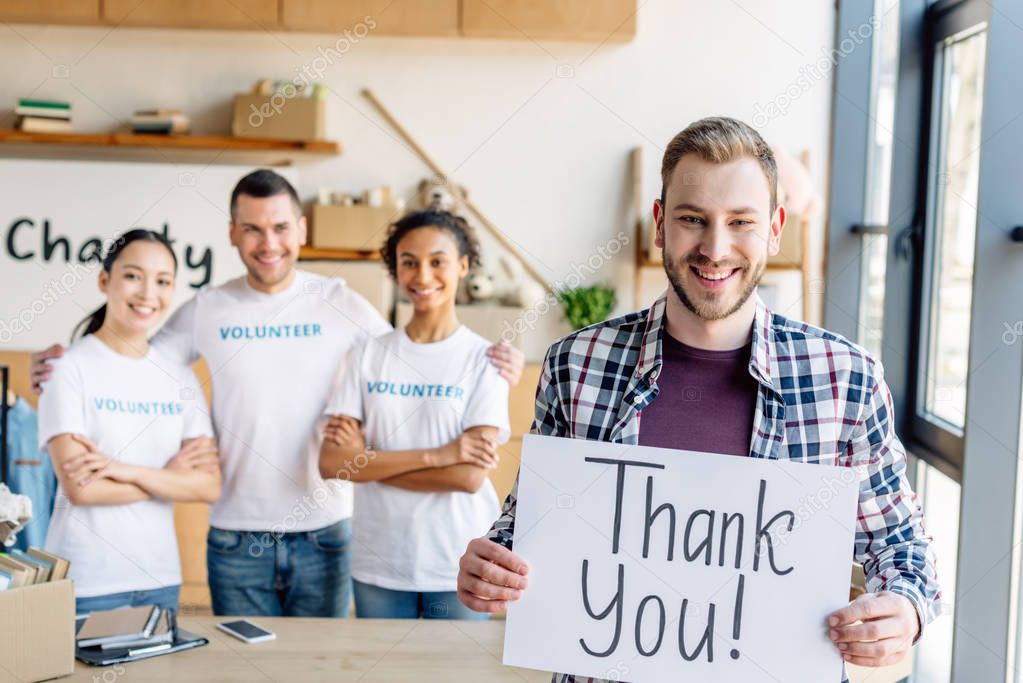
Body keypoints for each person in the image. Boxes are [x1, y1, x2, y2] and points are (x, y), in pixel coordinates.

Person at [456, 117, 940, 682]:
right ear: (660, 224)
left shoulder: (844, 377)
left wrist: (904, 609)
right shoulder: (576, 364)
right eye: (693, 219)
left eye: (741, 222)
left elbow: (902, 542)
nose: (715, 248)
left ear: (775, 229)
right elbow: (530, 523)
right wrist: (492, 562)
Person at [32, 169, 524, 618]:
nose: (268, 243)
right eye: (252, 228)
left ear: (302, 230)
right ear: (232, 234)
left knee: (319, 670)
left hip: (326, 534)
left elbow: (414, 353)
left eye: (281, 227)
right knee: (242, 669)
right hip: (234, 539)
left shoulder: (342, 304)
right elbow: (131, 354)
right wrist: (65, 362)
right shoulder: (207, 308)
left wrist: (501, 360)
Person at [320, 210, 509, 620]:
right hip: (378, 562)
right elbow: (333, 463)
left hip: (457, 561)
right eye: (408, 262)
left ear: (462, 266)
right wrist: (441, 454)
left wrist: (370, 462)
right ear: (396, 270)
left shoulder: (486, 360)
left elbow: (468, 476)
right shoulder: (369, 352)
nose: (422, 276)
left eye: (437, 261)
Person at [39, 230, 220, 614]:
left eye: (163, 281)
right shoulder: (67, 369)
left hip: (161, 580)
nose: (148, 294)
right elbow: (82, 490)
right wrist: (168, 479)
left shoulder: (180, 378)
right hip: (86, 580)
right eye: (133, 276)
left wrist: (120, 469)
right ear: (105, 280)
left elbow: (208, 484)